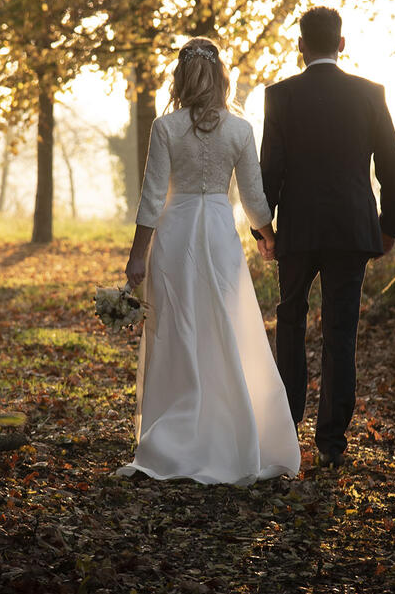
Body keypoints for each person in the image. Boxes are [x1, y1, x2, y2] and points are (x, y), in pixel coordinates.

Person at [117, 37, 301, 485]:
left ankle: (174, 436)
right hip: (219, 234)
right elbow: (256, 200)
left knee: (178, 329)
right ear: (221, 77)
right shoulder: (240, 130)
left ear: (180, 77)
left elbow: (153, 197)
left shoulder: (166, 127)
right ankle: (233, 433)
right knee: (226, 326)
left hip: (175, 236)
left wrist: (137, 256)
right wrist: (268, 237)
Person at [254, 6, 395, 468]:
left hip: (297, 231)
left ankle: (288, 422)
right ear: (341, 44)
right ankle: (332, 442)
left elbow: (270, 169)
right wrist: (387, 228)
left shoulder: (279, 96)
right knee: (341, 332)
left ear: (300, 47)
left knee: (292, 322)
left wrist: (266, 229)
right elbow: (392, 165)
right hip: (350, 230)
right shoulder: (369, 93)